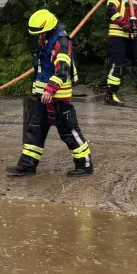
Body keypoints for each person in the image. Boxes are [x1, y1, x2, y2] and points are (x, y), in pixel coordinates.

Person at [7, 9, 93, 177]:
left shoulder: (61, 42)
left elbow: (62, 70)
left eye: (41, 32)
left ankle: (85, 165)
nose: (39, 35)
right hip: (42, 97)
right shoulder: (45, 40)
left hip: (58, 98)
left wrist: (50, 89)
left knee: (69, 132)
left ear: (49, 28)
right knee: (35, 131)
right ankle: (27, 165)